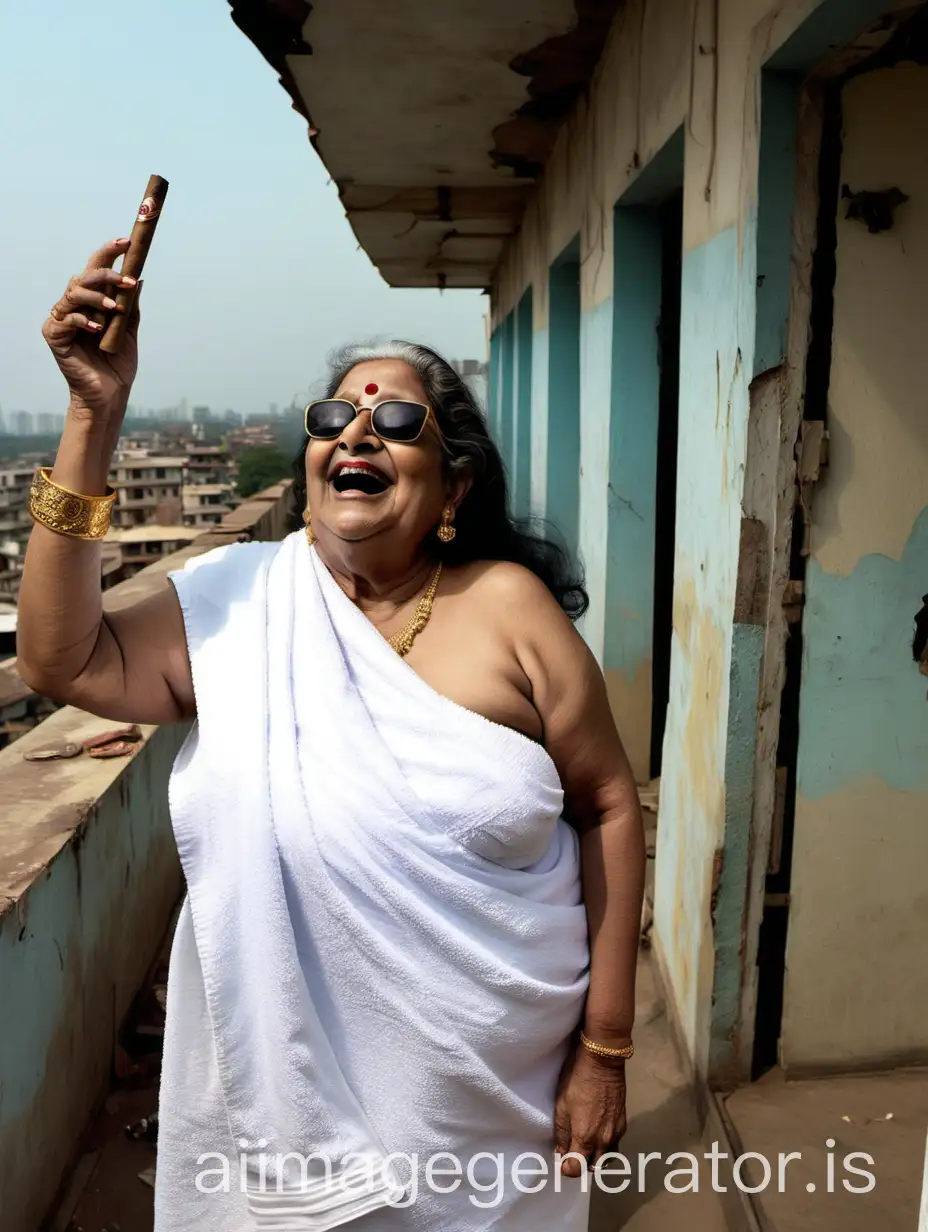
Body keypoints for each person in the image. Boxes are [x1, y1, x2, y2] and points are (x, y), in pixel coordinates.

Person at [18, 240, 646, 1232]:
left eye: (396, 419)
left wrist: (605, 1047)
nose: (358, 429)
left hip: (492, 1101)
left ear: (453, 490)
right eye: (335, 415)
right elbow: (62, 660)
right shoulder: (240, 601)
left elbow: (609, 803)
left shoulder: (510, 609)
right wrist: (95, 412)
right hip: (285, 1110)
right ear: (310, 461)